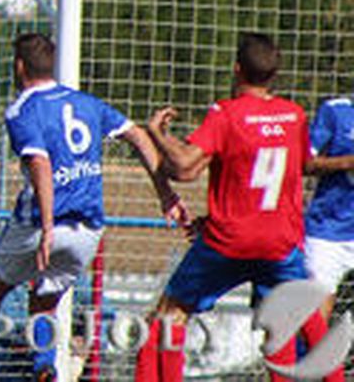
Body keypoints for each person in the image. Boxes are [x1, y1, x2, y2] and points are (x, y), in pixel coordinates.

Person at [0, 33, 187, 382]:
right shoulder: (87, 103)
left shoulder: (22, 109)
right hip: (88, 231)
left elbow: (40, 165)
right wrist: (165, 194)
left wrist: (48, 227)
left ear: (19, 67)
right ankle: (44, 369)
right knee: (45, 305)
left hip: (39, 226)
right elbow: (139, 136)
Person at [135, 33, 335, 381]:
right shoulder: (294, 115)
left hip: (229, 240)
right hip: (279, 242)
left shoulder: (226, 114)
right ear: (274, 74)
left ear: (236, 69)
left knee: (168, 317)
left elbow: (184, 167)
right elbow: (298, 165)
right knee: (302, 320)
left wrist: (157, 133)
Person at [303, 90, 354, 325]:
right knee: (313, 319)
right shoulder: (336, 110)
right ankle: (307, 359)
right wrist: (346, 163)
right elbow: (305, 162)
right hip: (328, 231)